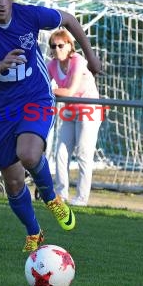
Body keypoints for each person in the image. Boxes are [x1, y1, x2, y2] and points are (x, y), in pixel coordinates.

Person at [0, 0, 101, 252]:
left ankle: (51, 198)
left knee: (28, 153)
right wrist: (0, 65)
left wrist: (91, 56)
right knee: (12, 182)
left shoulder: (29, 15)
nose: (2, 2)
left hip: (35, 98)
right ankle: (34, 232)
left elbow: (70, 20)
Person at [46, 29, 102, 206]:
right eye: (53, 46)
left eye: (61, 45)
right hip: (70, 110)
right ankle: (61, 195)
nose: (57, 49)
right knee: (61, 153)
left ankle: (82, 198)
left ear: (70, 45)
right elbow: (41, 85)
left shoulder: (78, 61)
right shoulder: (52, 64)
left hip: (89, 110)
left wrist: (46, 92)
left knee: (83, 153)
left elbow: (69, 90)